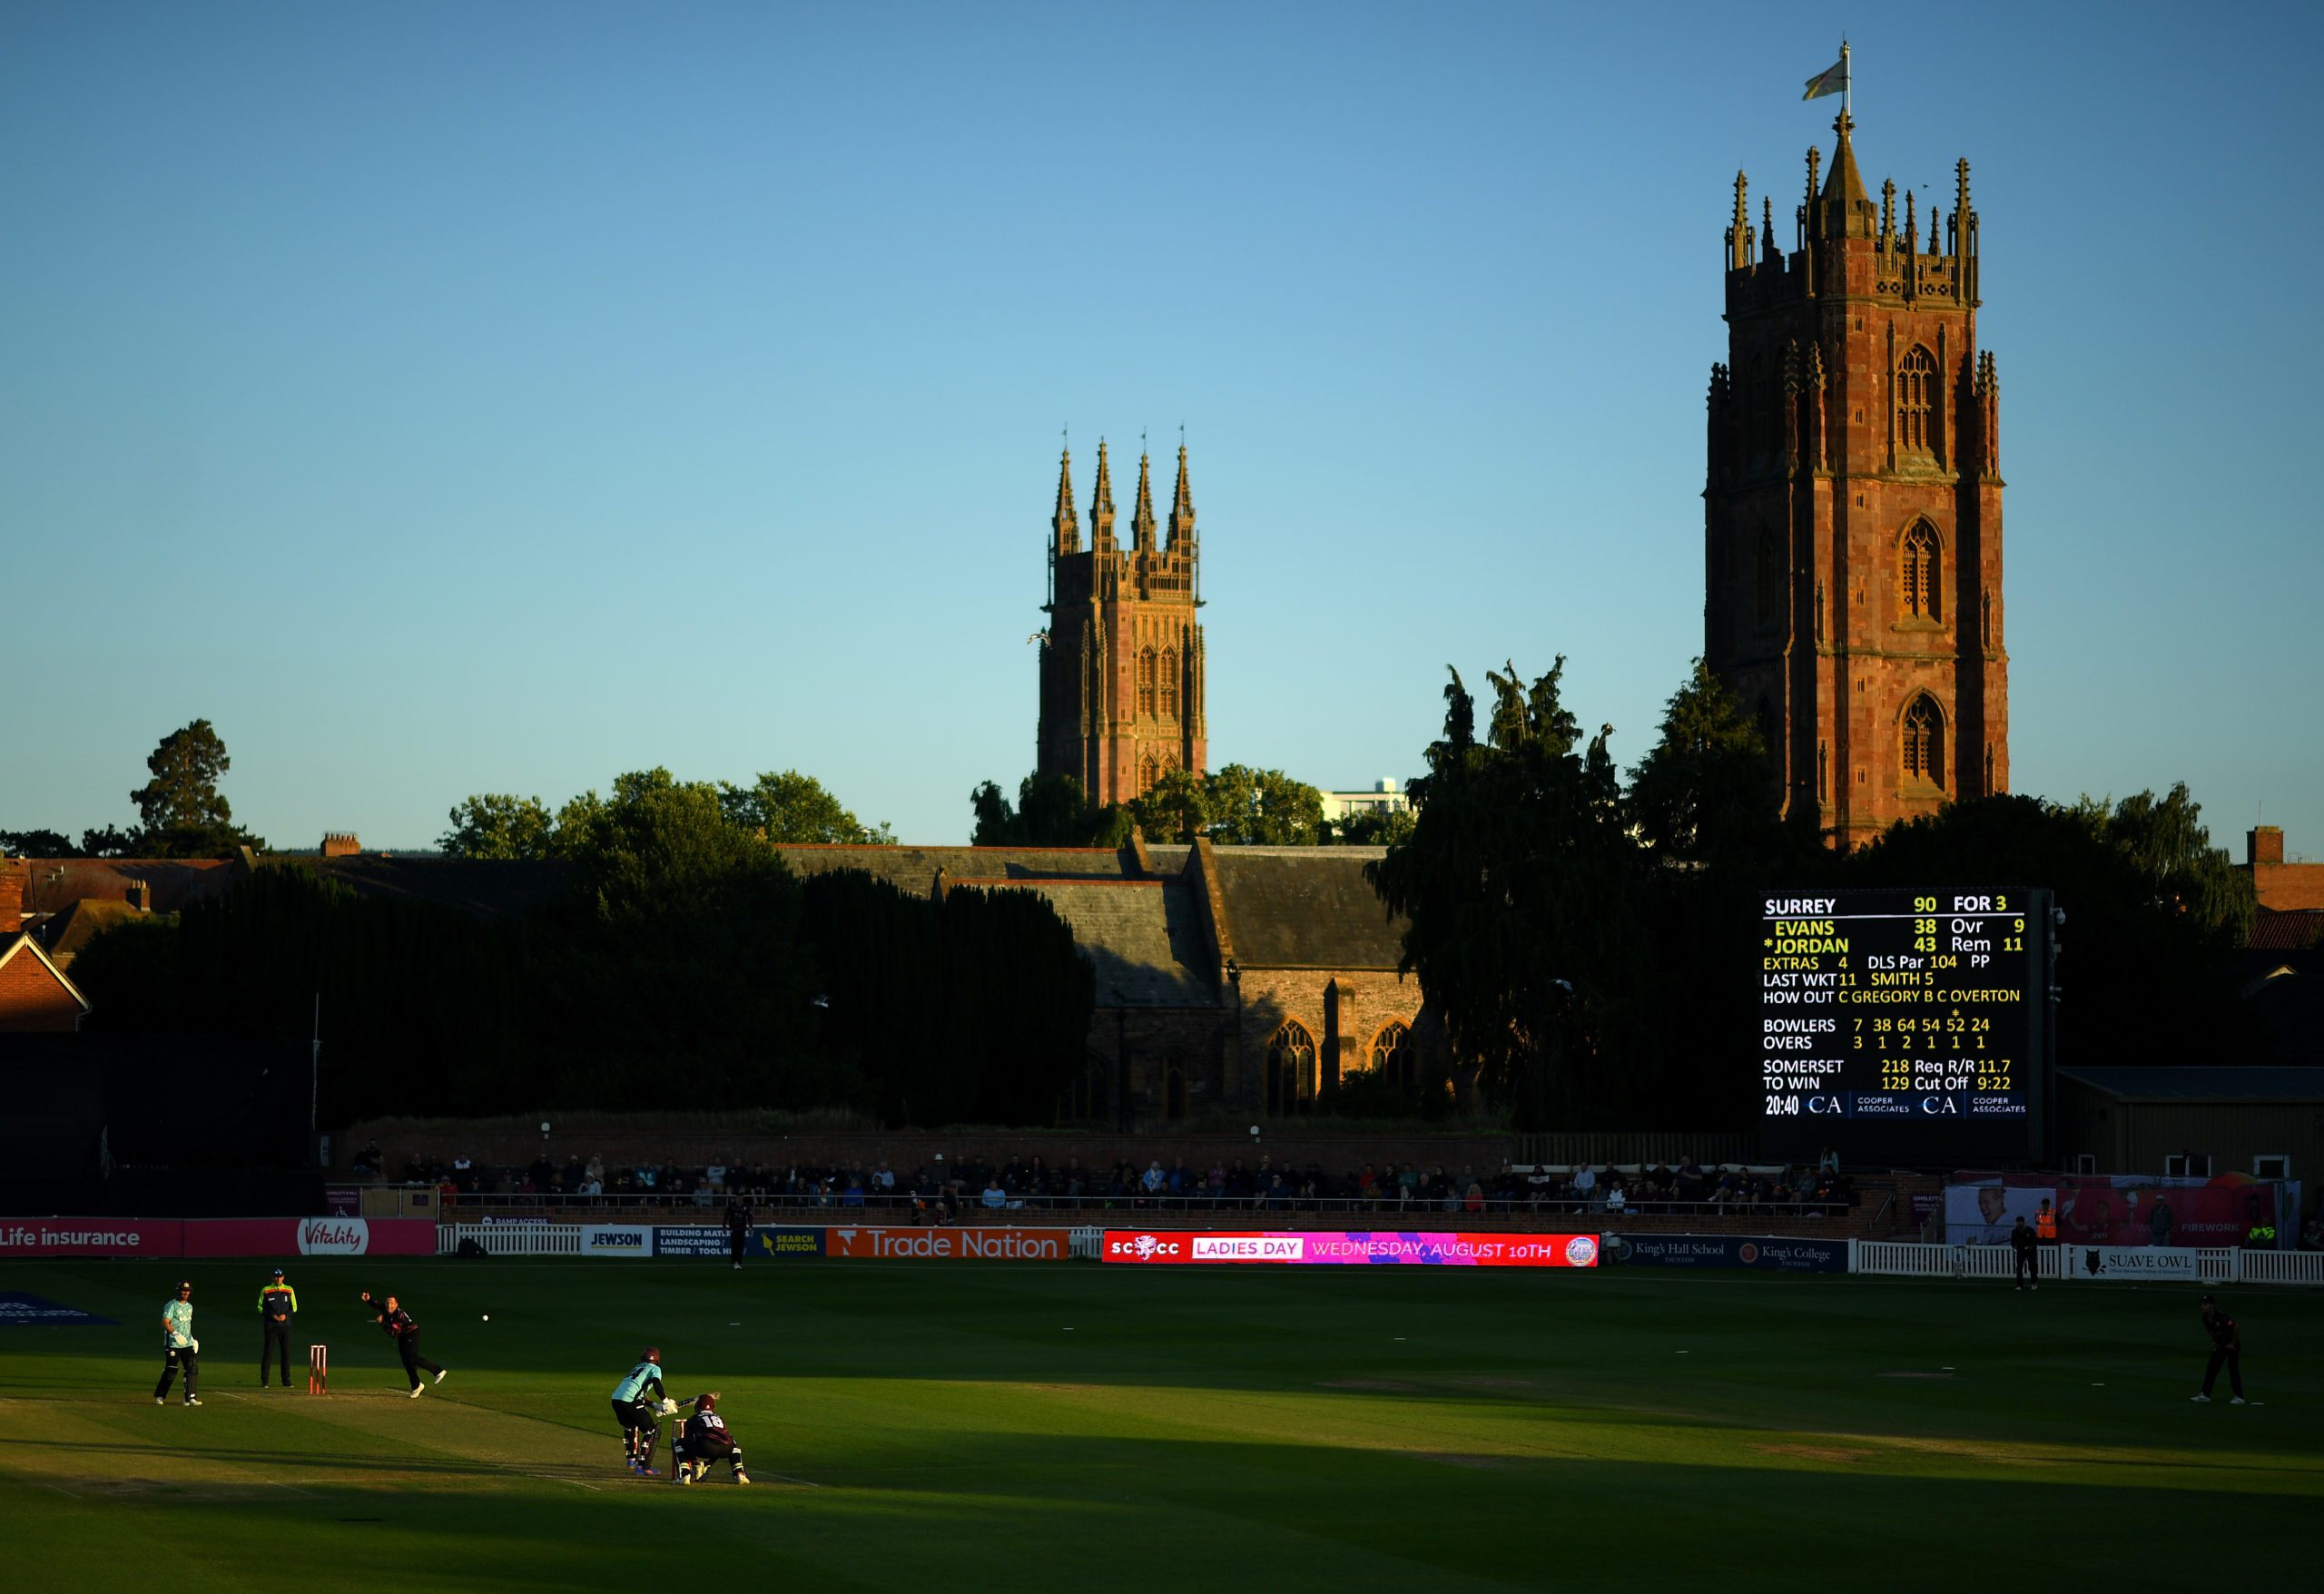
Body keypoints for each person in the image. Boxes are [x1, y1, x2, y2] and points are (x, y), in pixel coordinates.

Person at [611, 1347, 695, 1476]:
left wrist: (655, 1405)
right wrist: (666, 1401)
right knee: (652, 1431)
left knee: (630, 1427)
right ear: (657, 1360)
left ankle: (631, 1460)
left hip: (616, 1400)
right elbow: (656, 1383)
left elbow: (636, 1393)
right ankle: (643, 1467)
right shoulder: (655, 1369)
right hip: (630, 1401)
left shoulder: (637, 1368)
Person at [359, 1290, 447, 1398]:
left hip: (412, 1334)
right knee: (407, 1362)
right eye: (387, 1303)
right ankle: (416, 1386)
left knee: (411, 1357)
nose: (389, 1305)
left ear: (396, 1305)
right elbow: (377, 1305)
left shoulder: (399, 1316)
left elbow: (393, 1334)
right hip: (403, 1337)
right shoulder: (386, 1308)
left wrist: (382, 1323)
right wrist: (369, 1300)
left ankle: (438, 1371)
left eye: (392, 1303)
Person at [673, 1390, 750, 1486]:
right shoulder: (720, 1417)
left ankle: (685, 1475)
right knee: (732, 1442)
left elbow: (688, 1441)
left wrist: (694, 1462)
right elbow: (722, 1437)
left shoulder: (693, 1419)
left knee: (679, 1443)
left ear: (697, 1407)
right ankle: (740, 1473)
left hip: (707, 1447)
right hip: (727, 1448)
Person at [155, 1280, 202, 1406]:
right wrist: (175, 1334)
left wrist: (192, 1339)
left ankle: (190, 1397)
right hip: (173, 1343)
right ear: (178, 1291)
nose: (185, 1293)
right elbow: (165, 1322)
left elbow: (187, 1325)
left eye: (187, 1291)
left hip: (186, 1343)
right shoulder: (171, 1305)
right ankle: (160, 1395)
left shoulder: (190, 1307)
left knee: (192, 1367)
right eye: (183, 1290)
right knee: (171, 1370)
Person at [2192, 1295, 2245, 1404]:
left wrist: (2232, 1343)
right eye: (2202, 1304)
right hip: (2221, 1345)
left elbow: (2236, 1327)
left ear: (2212, 1305)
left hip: (2232, 1345)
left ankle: (2239, 1397)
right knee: (2211, 1368)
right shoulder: (2205, 1317)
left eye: (2205, 1304)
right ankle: (2205, 1394)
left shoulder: (2222, 1316)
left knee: (2232, 1368)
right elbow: (2209, 1330)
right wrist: (2214, 1342)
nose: (2203, 1307)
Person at [258, 1266, 299, 1386]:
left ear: (283, 1277)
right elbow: (260, 1307)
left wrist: (286, 1316)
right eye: (276, 1277)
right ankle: (264, 1381)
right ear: (272, 1277)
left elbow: (294, 1307)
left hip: (285, 1326)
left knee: (286, 1353)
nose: (278, 1279)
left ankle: (286, 1380)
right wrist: (272, 1316)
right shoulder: (266, 1290)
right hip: (271, 1326)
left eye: (280, 1277)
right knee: (268, 1353)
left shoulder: (289, 1290)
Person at [2008, 1216, 2038, 1291]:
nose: (2019, 1223)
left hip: (2030, 1251)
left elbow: (2034, 1241)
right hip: (2021, 1251)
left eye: (2021, 1222)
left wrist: (2031, 1247)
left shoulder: (2030, 1230)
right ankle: (2019, 1285)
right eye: (2018, 1222)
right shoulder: (2015, 1232)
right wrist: (2014, 1246)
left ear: (2024, 1222)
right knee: (2019, 1268)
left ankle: (2034, 1283)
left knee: (2032, 1267)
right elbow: (2012, 1241)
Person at [725, 1194, 753, 1270]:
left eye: (740, 1196)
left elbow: (750, 1217)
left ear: (742, 1197)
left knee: (741, 1247)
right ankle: (735, 1262)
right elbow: (726, 1216)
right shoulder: (731, 1206)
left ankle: (738, 1262)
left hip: (742, 1229)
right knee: (734, 1246)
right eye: (738, 1196)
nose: (739, 1198)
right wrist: (724, 1226)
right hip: (734, 1229)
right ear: (735, 1197)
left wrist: (750, 1227)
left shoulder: (746, 1206)